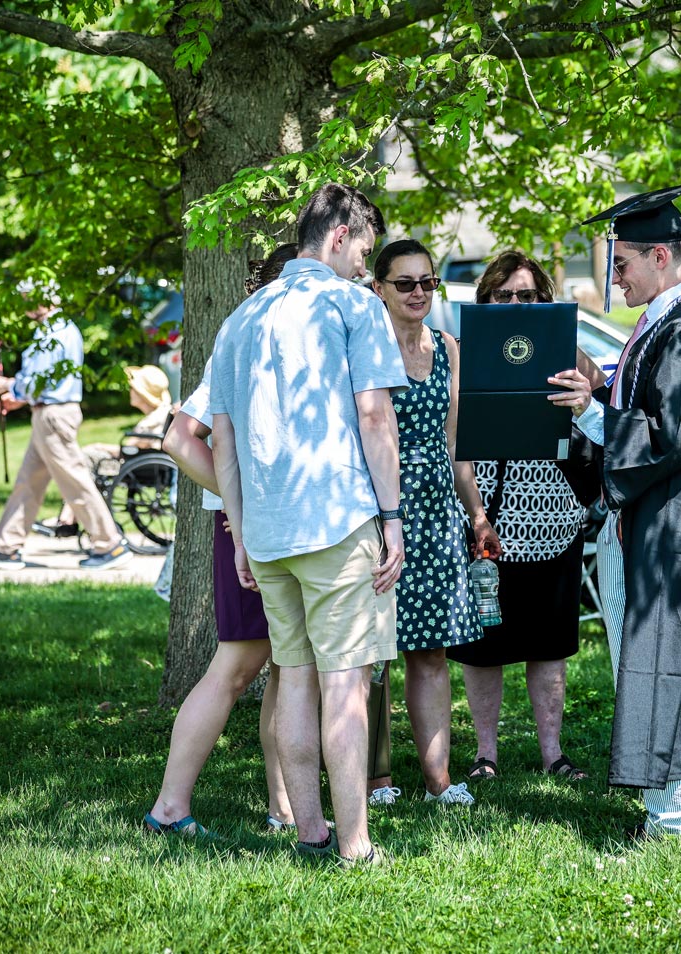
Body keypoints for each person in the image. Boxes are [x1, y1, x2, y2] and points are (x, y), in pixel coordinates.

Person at [209, 183, 406, 865]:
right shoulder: (354, 305)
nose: (364, 266)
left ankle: (309, 834)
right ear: (340, 235)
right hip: (338, 519)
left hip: (266, 532)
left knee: (294, 680)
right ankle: (354, 846)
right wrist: (394, 518)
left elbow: (223, 439)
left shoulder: (242, 317)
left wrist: (238, 529)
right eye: (364, 251)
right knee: (345, 682)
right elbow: (376, 416)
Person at [548, 183, 681, 839]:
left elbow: (670, 435)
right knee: (680, 661)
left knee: (653, 660)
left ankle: (669, 816)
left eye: (620, 263)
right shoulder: (666, 323)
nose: (614, 277)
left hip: (665, 521)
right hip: (661, 520)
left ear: (660, 256)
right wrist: (601, 388)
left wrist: (593, 412)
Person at [141, 243, 298, 838]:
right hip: (251, 528)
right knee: (236, 667)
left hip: (277, 526)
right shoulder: (244, 344)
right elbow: (180, 440)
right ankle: (170, 807)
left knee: (288, 667)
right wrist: (245, 506)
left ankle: (284, 807)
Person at [446, 250, 593, 783]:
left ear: (542, 300)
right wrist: (476, 515)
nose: (514, 303)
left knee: (547, 644)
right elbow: (455, 438)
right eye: (503, 295)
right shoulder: (464, 353)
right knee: (484, 646)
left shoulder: (564, 348)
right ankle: (486, 755)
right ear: (485, 298)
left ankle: (553, 753)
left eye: (526, 295)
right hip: (484, 517)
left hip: (554, 518)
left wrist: (582, 385)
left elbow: (596, 403)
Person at [371, 238, 501, 806]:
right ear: (379, 289)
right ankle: (374, 779)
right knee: (369, 652)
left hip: (436, 513)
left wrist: (475, 512)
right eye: (405, 283)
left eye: (428, 282)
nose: (419, 292)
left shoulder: (448, 347)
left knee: (429, 651)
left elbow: (457, 447)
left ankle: (437, 781)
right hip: (377, 510)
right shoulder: (365, 347)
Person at [0, 279, 132, 572]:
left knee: (74, 481)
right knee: (28, 482)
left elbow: (41, 380)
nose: (23, 303)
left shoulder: (53, 332)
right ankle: (6, 547)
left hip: (54, 417)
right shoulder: (54, 329)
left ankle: (110, 544)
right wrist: (18, 398)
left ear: (42, 298)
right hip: (47, 413)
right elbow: (46, 383)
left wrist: (7, 384)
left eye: (26, 297)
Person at [35, 364, 173, 539]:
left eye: (133, 388)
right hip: (137, 462)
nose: (130, 391)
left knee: (83, 460)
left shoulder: (153, 420)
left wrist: (100, 446)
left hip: (134, 465)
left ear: (141, 393)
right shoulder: (158, 415)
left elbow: (128, 449)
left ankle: (68, 518)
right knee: (84, 460)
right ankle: (69, 517)